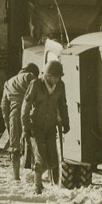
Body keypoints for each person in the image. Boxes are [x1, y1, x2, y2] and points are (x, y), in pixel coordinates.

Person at [21, 59, 69, 194]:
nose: (58, 79)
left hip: (51, 126)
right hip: (36, 126)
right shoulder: (36, 84)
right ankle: (37, 185)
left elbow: (63, 104)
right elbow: (26, 106)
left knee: (52, 159)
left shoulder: (60, 86)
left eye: (59, 76)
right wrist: (25, 127)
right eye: (56, 76)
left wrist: (66, 122)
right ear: (48, 76)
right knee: (40, 157)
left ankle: (41, 180)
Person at [2, 63, 40, 182]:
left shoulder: (8, 82)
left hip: (14, 113)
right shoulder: (31, 76)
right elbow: (39, 93)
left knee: (15, 146)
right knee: (36, 142)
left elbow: (4, 106)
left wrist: (8, 124)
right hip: (30, 111)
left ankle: (16, 175)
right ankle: (36, 174)